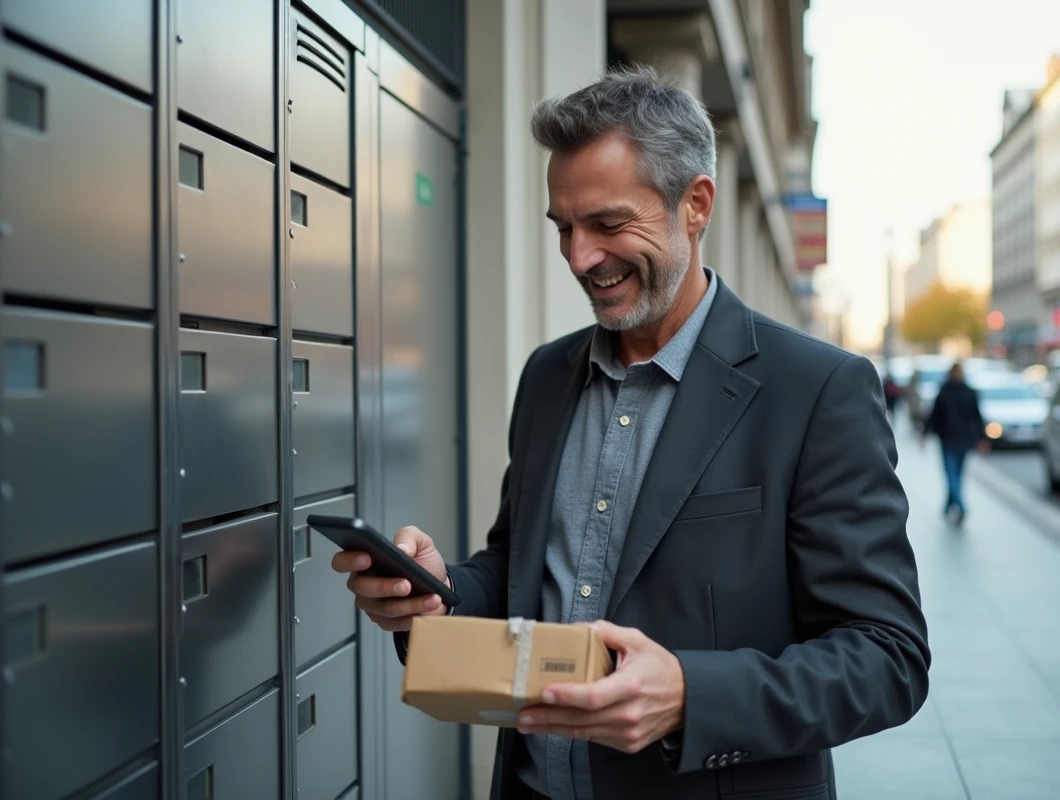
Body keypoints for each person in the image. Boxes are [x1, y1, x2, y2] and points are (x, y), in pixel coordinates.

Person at [333, 66, 929, 800]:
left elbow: (888, 657)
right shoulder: (547, 377)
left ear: (697, 205)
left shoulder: (818, 389)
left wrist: (690, 695)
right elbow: (523, 570)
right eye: (564, 228)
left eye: (609, 225)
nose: (579, 257)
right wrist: (442, 593)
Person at [921, 362, 988, 524]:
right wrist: (982, 437)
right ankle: (950, 504)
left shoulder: (945, 391)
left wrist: (924, 434)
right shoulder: (969, 392)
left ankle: (959, 504)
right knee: (957, 474)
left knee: (951, 473)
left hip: (948, 439)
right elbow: (977, 417)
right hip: (965, 440)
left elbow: (934, 415)